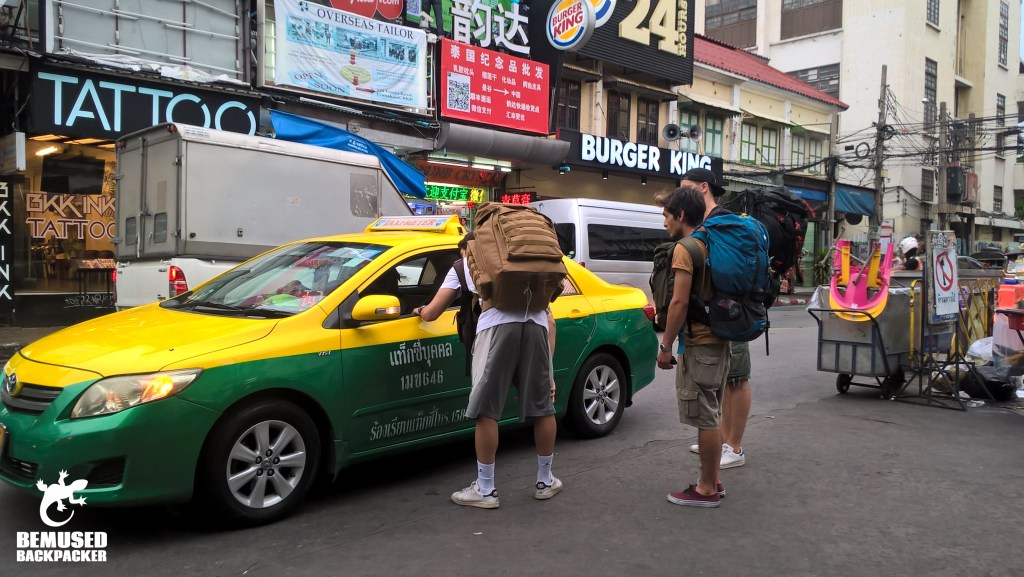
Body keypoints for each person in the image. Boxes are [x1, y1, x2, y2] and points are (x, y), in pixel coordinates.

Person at [443, 238, 559, 509]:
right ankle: (545, 481)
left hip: (496, 325)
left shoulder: (473, 254)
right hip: (536, 324)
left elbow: (435, 309)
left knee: (486, 410)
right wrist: (550, 372)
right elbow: (551, 317)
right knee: (543, 407)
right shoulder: (528, 249)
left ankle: (485, 489)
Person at [655, 184, 730, 507]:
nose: (664, 222)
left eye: (667, 215)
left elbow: (679, 302)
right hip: (720, 339)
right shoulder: (713, 240)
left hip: (700, 343)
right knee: (713, 411)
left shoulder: (686, 248)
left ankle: (706, 489)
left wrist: (665, 346)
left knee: (705, 417)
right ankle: (714, 479)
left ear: (681, 215)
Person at [678, 168, 749, 472]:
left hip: (731, 311)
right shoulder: (705, 223)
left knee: (737, 378)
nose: (682, 193)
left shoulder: (723, 222)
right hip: (714, 314)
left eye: (686, 187)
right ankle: (716, 439)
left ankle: (734, 446)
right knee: (719, 381)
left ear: (704, 187)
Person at [413, 232, 478, 375]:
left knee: (486, 384)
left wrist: (420, 310)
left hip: (487, 334)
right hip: (526, 323)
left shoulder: (461, 267)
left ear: (464, 250)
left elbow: (430, 314)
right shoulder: (501, 262)